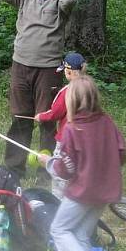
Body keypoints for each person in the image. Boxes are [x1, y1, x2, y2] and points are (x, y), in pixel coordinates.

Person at [39, 75, 126, 251]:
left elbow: (66, 169)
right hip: (104, 191)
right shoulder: (107, 122)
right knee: (80, 235)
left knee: (59, 229)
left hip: (82, 191)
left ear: (72, 101)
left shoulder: (72, 129)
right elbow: (122, 154)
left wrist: (49, 162)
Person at [0, 0, 77, 180]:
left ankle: (46, 170)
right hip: (21, 64)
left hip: (48, 68)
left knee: (47, 119)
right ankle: (14, 168)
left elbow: (70, 1)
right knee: (21, 117)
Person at [35, 52, 87, 198]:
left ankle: (58, 201)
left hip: (66, 138)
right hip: (84, 139)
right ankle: (76, 194)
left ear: (69, 71)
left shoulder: (66, 92)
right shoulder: (88, 89)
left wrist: (41, 116)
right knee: (77, 168)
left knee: (59, 170)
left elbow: (55, 113)